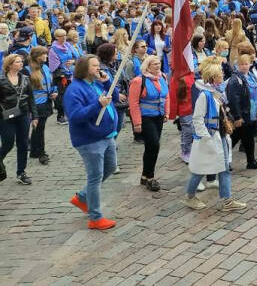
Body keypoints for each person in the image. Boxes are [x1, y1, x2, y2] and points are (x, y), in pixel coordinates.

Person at [63, 55, 122, 230]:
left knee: (110, 168)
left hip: (106, 135)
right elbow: (75, 117)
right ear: (84, 68)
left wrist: (106, 83)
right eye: (94, 65)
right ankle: (95, 217)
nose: (99, 68)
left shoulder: (96, 83)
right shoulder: (74, 90)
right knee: (95, 177)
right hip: (90, 139)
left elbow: (116, 98)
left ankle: (82, 197)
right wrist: (97, 104)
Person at [184, 62, 247, 212]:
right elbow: (197, 119)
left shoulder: (218, 93)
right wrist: (206, 138)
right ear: (213, 77)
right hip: (210, 137)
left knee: (224, 168)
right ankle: (190, 196)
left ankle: (227, 200)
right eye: (220, 73)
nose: (222, 75)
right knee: (200, 169)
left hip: (220, 136)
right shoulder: (205, 96)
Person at [127, 55, 170, 191]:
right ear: (147, 66)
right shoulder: (139, 81)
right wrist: (137, 123)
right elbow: (133, 103)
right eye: (154, 64)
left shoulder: (162, 77)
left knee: (151, 147)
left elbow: (166, 96)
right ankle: (150, 177)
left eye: (158, 63)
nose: (157, 66)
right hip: (145, 117)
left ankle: (145, 176)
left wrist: (166, 112)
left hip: (158, 116)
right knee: (154, 144)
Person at [226, 54, 257, 170]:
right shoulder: (235, 80)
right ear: (237, 66)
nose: (243, 66)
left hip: (251, 113)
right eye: (241, 64)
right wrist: (237, 117)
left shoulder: (251, 76)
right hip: (243, 115)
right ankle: (223, 161)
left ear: (250, 64)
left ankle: (251, 161)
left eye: (246, 64)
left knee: (248, 137)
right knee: (234, 138)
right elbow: (234, 100)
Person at [0, 53, 34, 184]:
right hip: (5, 116)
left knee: (23, 144)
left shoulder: (25, 78)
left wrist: (34, 115)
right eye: (18, 62)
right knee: (8, 142)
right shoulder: (1, 79)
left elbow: (31, 98)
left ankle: (21, 172)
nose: (21, 64)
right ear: (10, 65)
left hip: (23, 114)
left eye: (21, 62)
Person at [28, 46, 57, 166]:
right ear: (37, 56)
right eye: (44, 54)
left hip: (46, 102)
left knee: (39, 128)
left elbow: (52, 82)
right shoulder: (27, 70)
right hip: (35, 103)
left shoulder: (45, 67)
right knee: (39, 128)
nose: (46, 56)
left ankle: (35, 151)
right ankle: (41, 153)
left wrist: (54, 91)